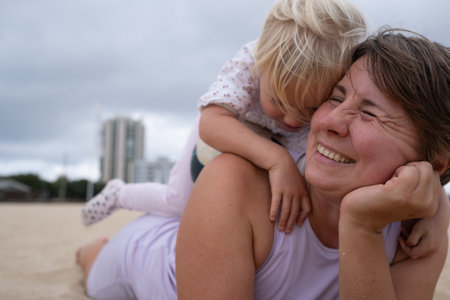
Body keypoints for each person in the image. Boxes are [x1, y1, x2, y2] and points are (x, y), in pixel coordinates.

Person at [77, 29, 450, 299]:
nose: (328, 122)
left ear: (436, 162)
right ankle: (90, 249)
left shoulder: (418, 231)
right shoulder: (235, 183)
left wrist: (362, 225)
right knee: (94, 268)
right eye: (335, 97)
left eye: (370, 114)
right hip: (147, 260)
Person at [81, 0, 367, 233]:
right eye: (279, 101)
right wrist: (276, 160)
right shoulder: (252, 60)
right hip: (230, 124)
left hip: (287, 145)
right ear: (261, 66)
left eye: (310, 108)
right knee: (178, 202)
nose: (293, 120)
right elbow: (212, 122)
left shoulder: (339, 79)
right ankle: (119, 194)